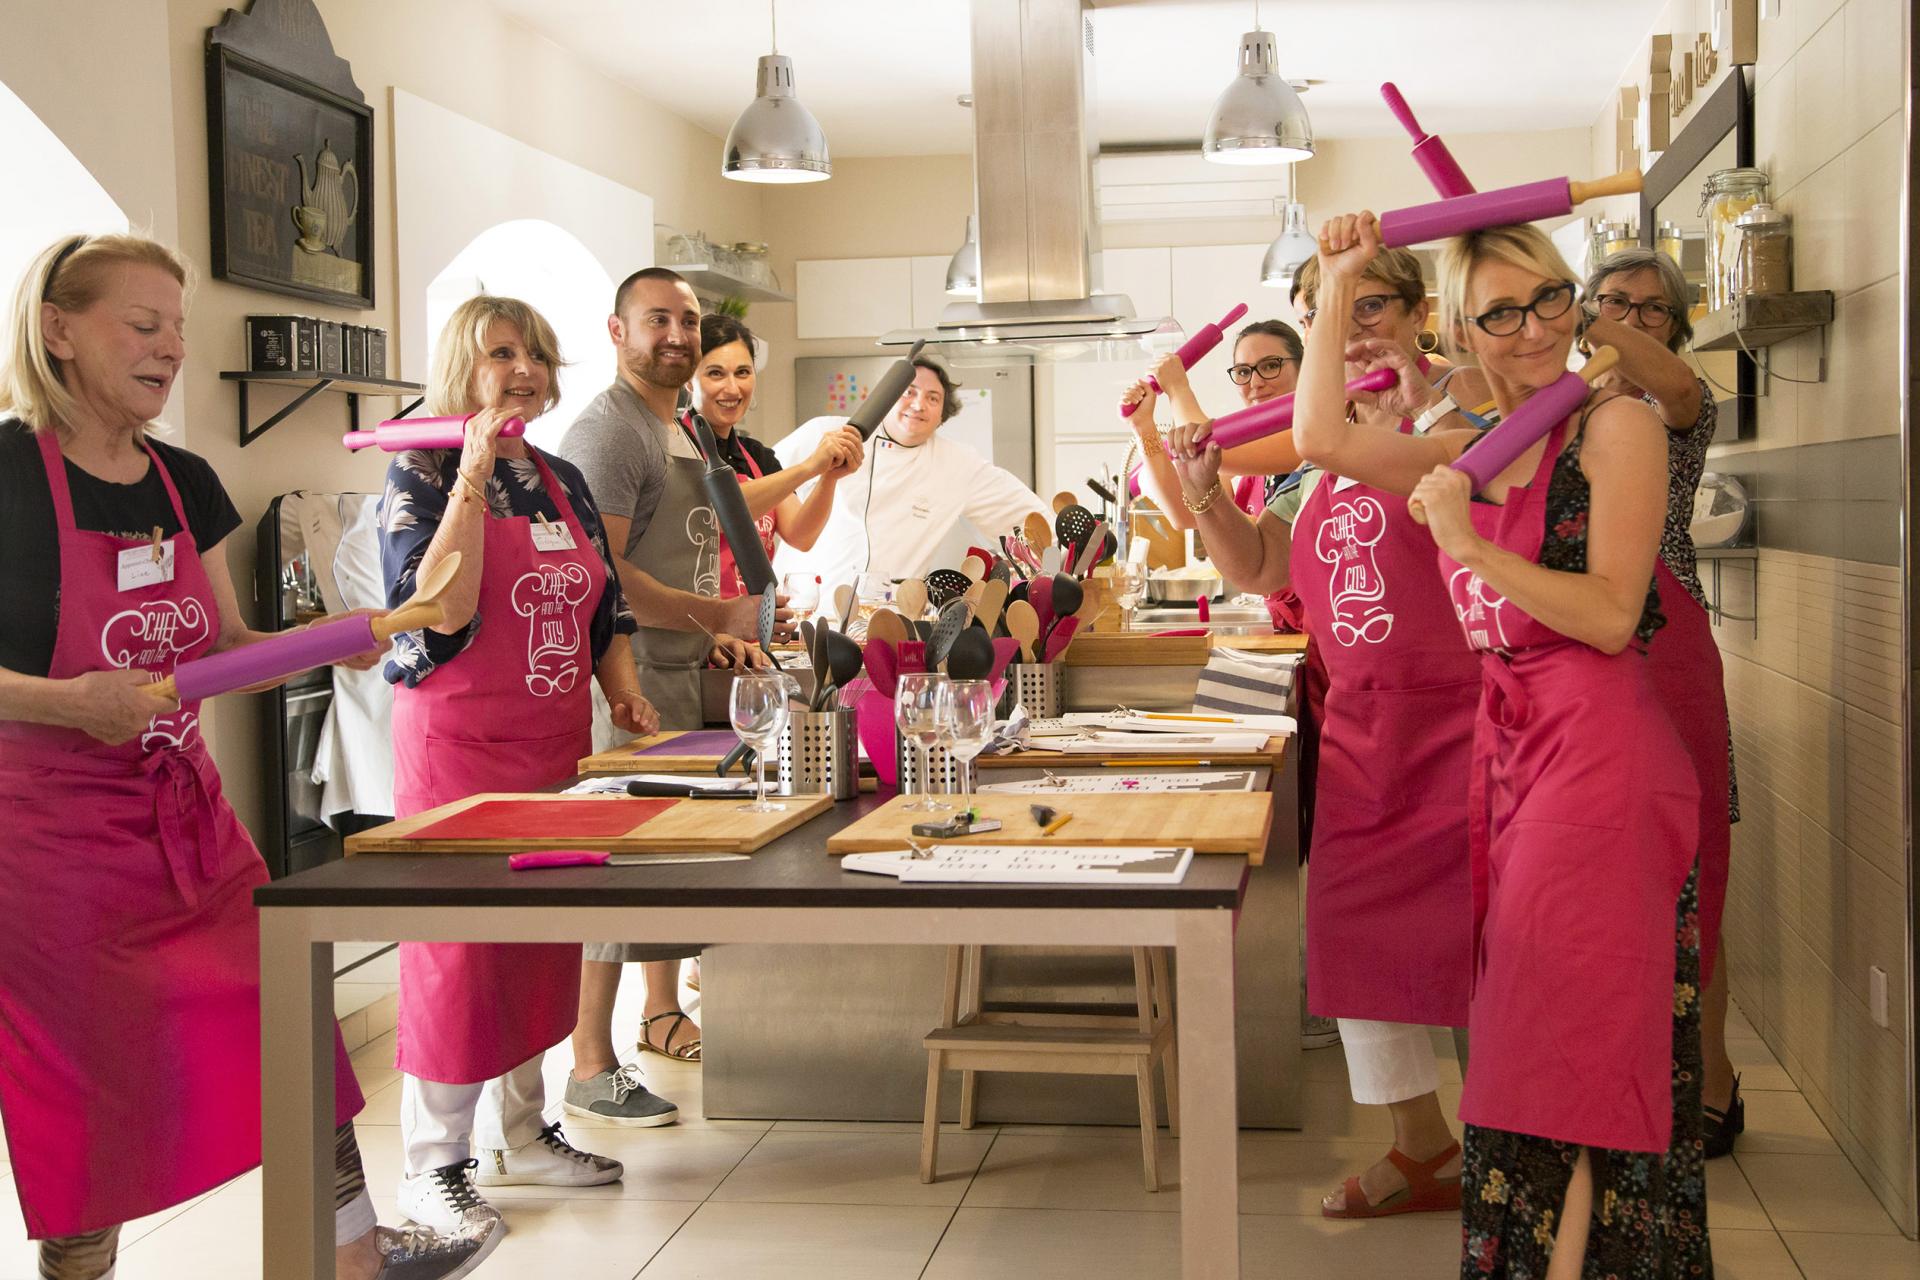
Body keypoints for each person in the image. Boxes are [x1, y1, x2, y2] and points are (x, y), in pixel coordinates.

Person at [0, 233, 496, 1279]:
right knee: (94, 1092)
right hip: (48, 849)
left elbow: (223, 652)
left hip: (190, 827)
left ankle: (349, 1257)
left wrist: (375, 623)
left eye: (178, 328)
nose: (172, 347)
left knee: (292, 1029)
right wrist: (62, 701)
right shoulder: (3, 474)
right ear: (58, 328)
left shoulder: (183, 479)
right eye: (145, 325)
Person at [1293, 211, 1708, 1277]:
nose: (1533, 330)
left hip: (1602, 754)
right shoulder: (1484, 445)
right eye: (1503, 313)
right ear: (1466, 335)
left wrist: (1466, 538)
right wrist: (1338, 279)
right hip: (1518, 751)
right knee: (1524, 1051)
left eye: (1551, 300)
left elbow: (1614, 614)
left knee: (1573, 1049)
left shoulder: (1616, 425)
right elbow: (1323, 440)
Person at [1160, 306, 1482, 1221]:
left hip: (1464, 723)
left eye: (1368, 312)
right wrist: (1206, 492)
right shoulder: (1312, 462)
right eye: (1336, 318)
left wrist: (1414, 403)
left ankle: (1512, 1148)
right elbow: (1262, 568)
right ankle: (1422, 1144)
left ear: (1417, 319)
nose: (1355, 336)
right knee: (1353, 929)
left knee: (1483, 940)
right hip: (1359, 729)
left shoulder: (1455, 423)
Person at [380, 295, 655, 1232]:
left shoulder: (563, 478)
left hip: (552, 747)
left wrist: (621, 693)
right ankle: (434, 1163)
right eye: (502, 354)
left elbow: (603, 609)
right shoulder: (415, 469)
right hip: (455, 749)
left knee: (539, 942)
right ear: (463, 366)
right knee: (458, 952)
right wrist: (471, 471)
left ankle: (526, 1133)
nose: (525, 369)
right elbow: (439, 608)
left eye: (535, 352)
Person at [556, 267, 753, 1105]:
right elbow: (596, 573)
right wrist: (707, 614)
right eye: (657, 320)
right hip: (625, 680)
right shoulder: (610, 430)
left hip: (677, 667)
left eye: (689, 320)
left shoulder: (674, 422)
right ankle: (590, 1066)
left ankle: (654, 1018)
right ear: (616, 330)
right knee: (617, 863)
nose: (678, 334)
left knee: (668, 859)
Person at [1585, 247, 1741, 1157]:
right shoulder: (1569, 408)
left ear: (1676, 328)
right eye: (1614, 302)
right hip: (1591, 645)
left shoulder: (1683, 403)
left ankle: (1711, 1073)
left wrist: (1586, 319)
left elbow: (1674, 391)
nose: (1630, 319)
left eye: (1650, 309)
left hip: (1674, 640)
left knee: (1700, 858)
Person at [771, 355, 1049, 593]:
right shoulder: (828, 433)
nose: (918, 405)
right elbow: (758, 486)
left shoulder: (958, 463)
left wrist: (1066, 558)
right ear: (885, 398)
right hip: (803, 611)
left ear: (943, 414)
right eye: (908, 392)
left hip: (887, 621)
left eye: (933, 398)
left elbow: (1027, 518)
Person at [692, 313, 863, 596]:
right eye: (716, 373)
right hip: (701, 625)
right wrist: (809, 467)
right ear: (689, 380)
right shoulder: (677, 447)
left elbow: (801, 534)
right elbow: (716, 514)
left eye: (743, 372)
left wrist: (828, 477)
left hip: (753, 622)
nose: (733, 388)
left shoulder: (756, 456)